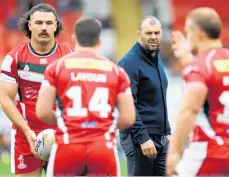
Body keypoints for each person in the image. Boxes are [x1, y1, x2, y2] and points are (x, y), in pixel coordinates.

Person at [36, 16, 135, 176]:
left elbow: (42, 111)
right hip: (102, 147)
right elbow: (129, 117)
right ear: (99, 41)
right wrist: (101, 124)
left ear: (74, 39)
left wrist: (66, 122)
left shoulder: (57, 67)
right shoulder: (117, 71)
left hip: (68, 146)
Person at [166, 7, 229, 176]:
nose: (187, 36)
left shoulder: (200, 65)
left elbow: (189, 111)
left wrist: (174, 152)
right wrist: (187, 58)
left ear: (199, 33)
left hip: (208, 150)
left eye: (188, 31)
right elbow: (212, 82)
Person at [0, 3, 73, 176]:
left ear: (56, 25)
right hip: (26, 136)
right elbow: (4, 98)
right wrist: (26, 131)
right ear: (29, 24)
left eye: (49, 23)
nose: (44, 27)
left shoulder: (68, 56)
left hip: (61, 136)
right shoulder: (15, 57)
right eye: (39, 23)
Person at [118, 16, 171, 176]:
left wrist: (167, 132)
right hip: (139, 138)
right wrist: (142, 138)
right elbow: (128, 105)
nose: (153, 37)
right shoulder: (130, 62)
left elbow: (158, 99)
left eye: (157, 32)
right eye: (148, 33)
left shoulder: (155, 57)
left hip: (160, 137)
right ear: (139, 34)